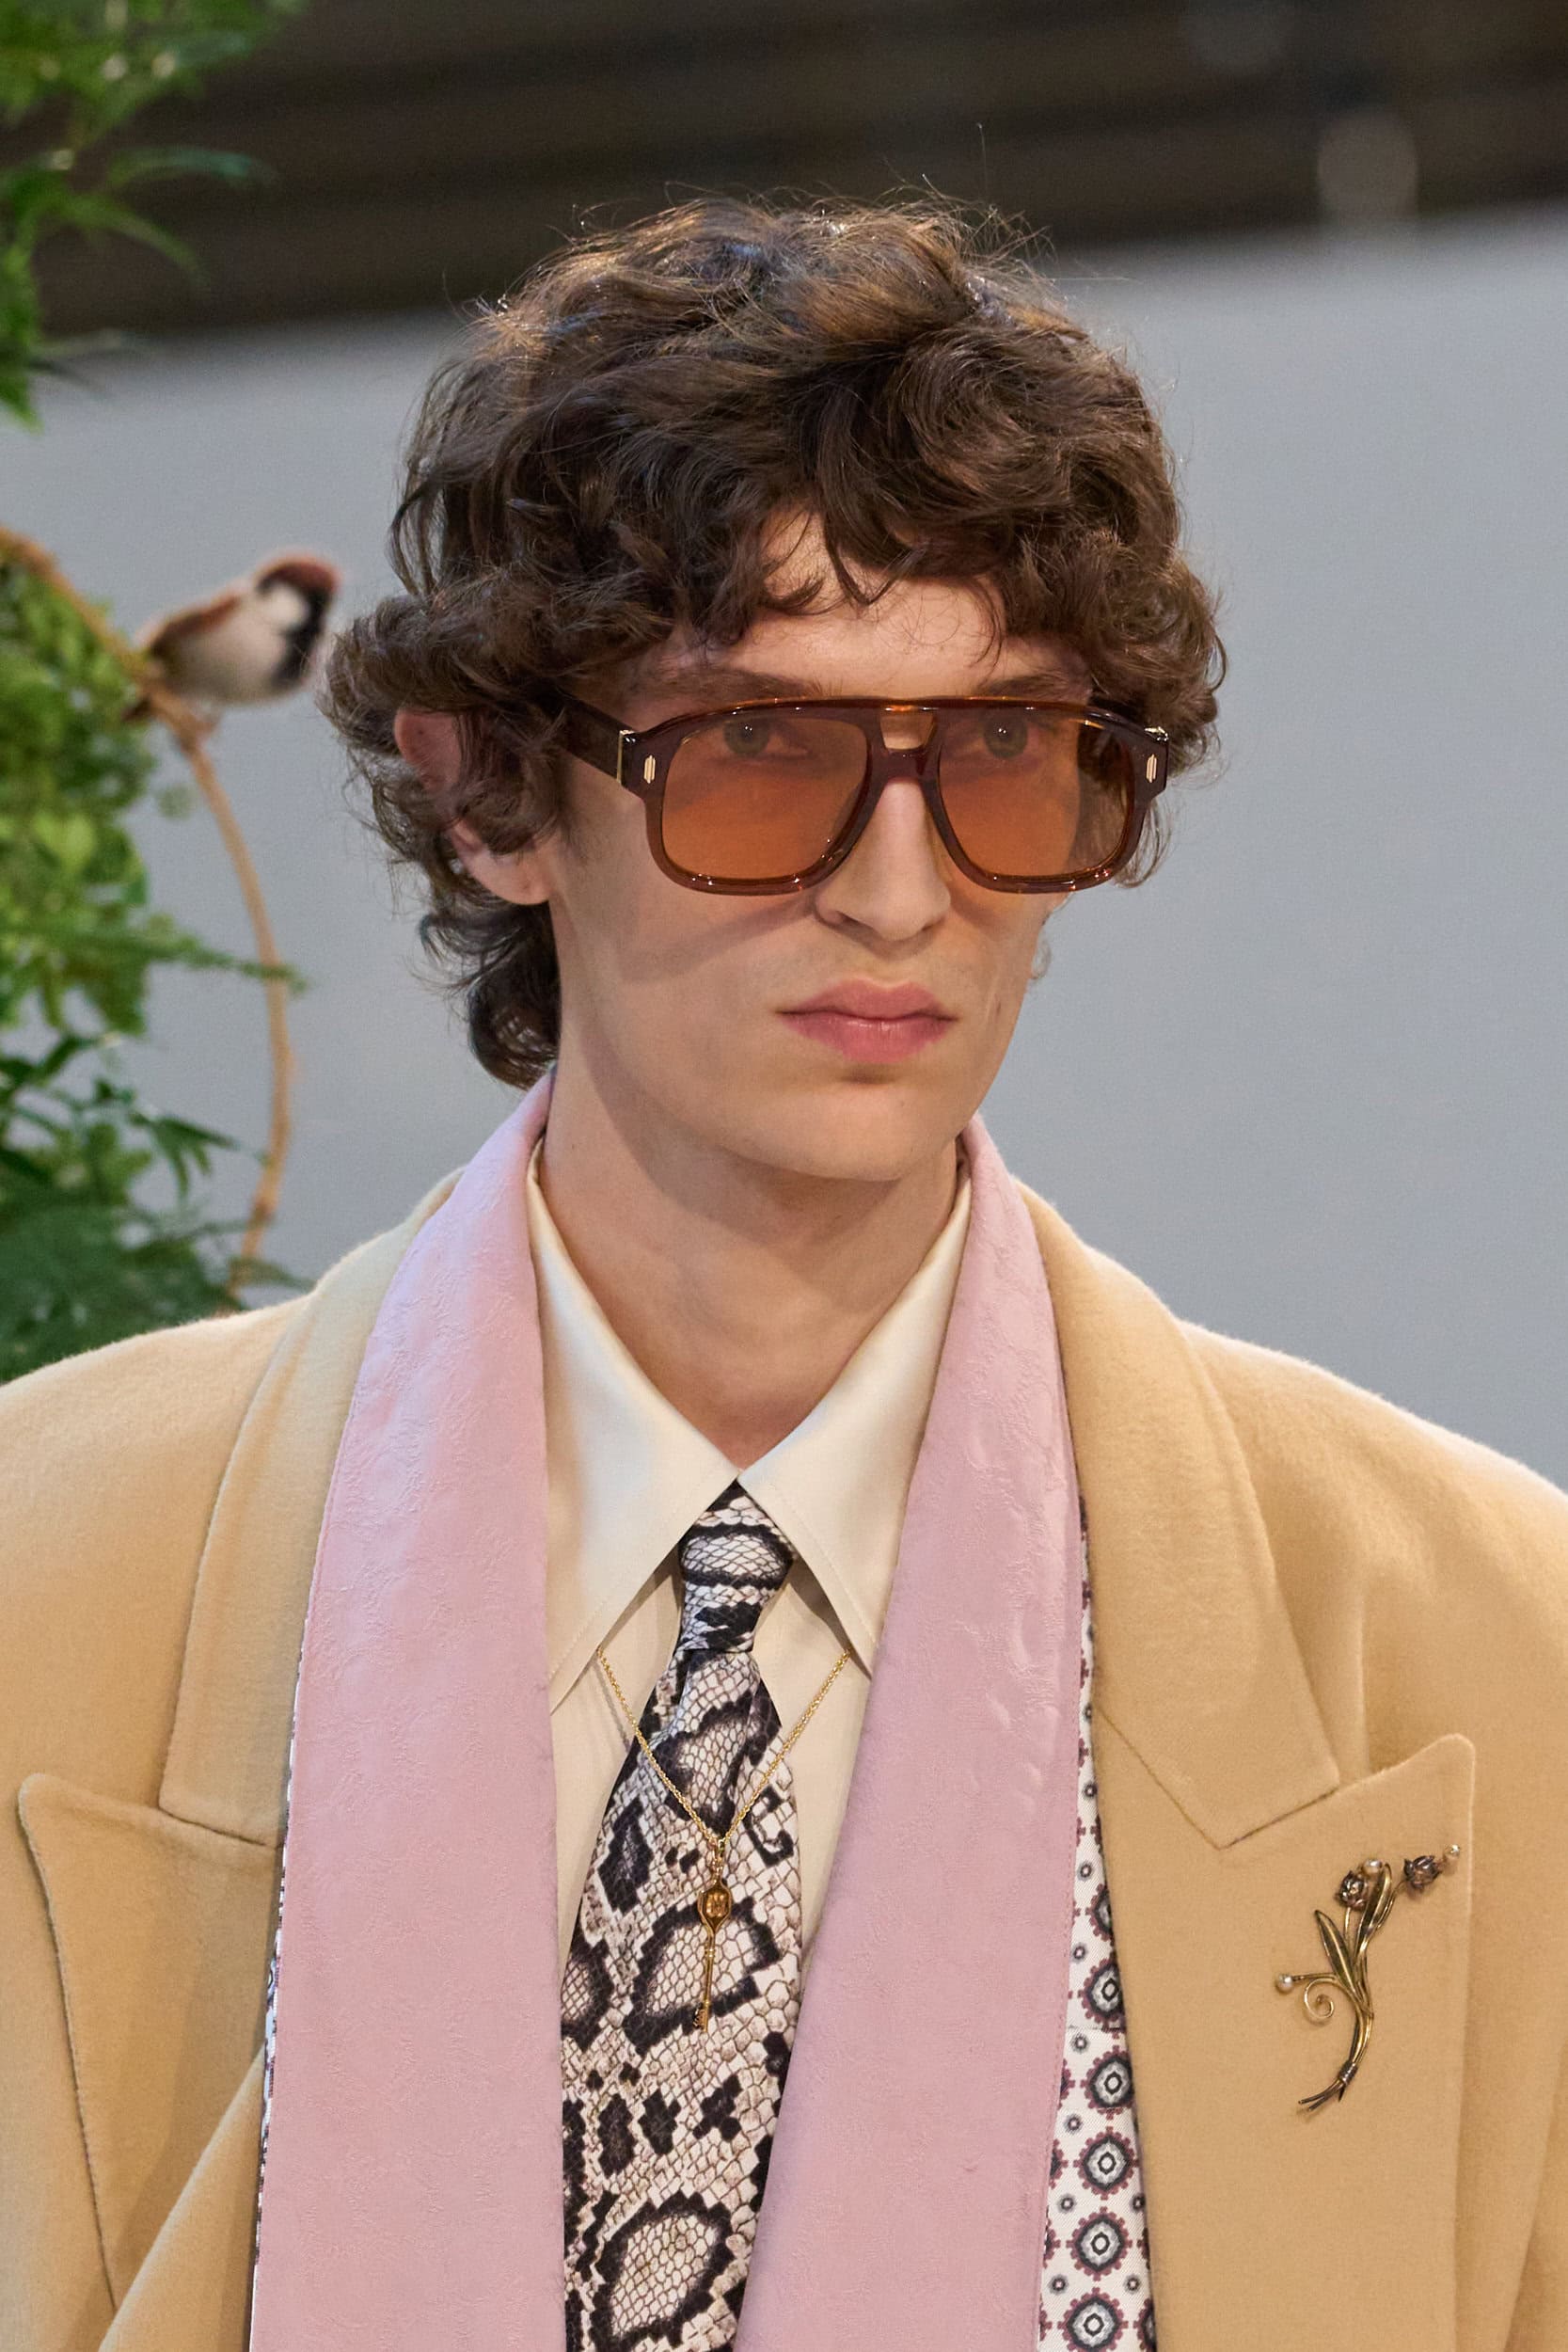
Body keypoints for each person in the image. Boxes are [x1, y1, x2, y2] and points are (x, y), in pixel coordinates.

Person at [1, 197, 1564, 2352]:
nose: (901, 890)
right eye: (759, 751)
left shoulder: (1480, 1641)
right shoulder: (41, 1579)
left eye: (1001, 750)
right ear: (488, 795)